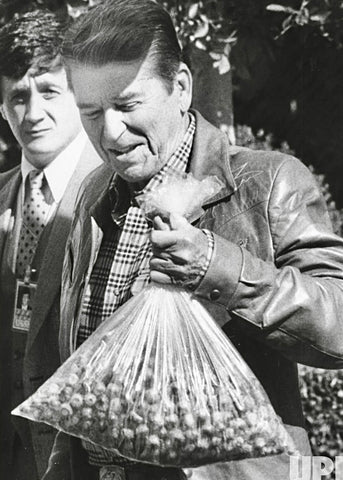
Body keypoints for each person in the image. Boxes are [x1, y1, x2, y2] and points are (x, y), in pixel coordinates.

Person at [45, 1, 343, 479]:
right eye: (91, 112)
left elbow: (338, 325)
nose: (110, 132)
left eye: (127, 104)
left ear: (181, 87)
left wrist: (215, 266)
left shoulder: (268, 182)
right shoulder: (93, 194)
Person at [0, 10, 102, 480]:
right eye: (19, 96)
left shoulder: (115, 190)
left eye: (49, 91)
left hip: (83, 457)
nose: (34, 112)